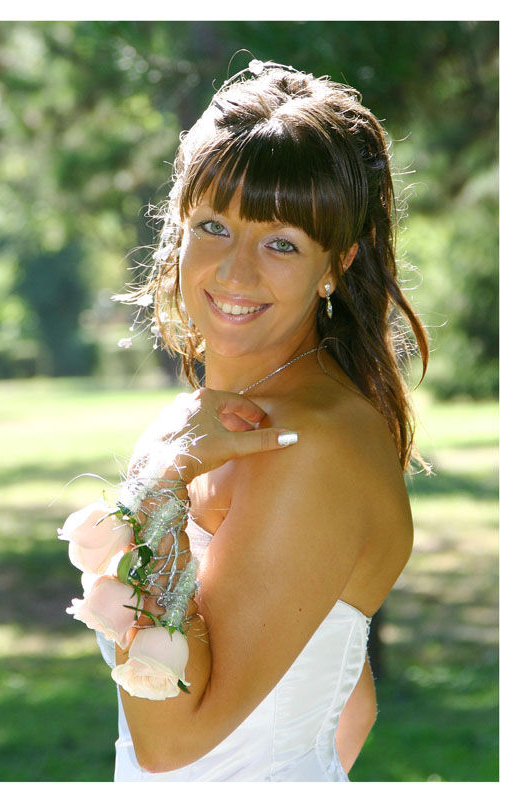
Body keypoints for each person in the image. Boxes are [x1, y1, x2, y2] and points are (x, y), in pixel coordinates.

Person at [93, 60, 430, 781]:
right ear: (178, 229)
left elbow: (170, 745)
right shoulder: (207, 421)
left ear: (336, 263)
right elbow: (351, 704)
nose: (235, 272)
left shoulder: (308, 443)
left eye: (282, 243)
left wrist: (155, 491)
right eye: (214, 226)